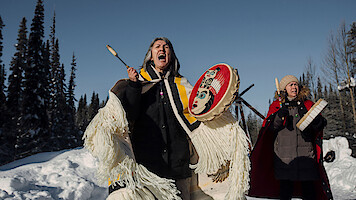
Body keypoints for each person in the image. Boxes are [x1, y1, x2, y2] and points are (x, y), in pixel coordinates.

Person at [110, 37, 200, 200]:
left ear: (171, 55)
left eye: (166, 47)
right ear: (151, 55)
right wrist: (133, 85)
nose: (162, 49)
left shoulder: (182, 84)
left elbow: (198, 114)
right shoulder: (140, 83)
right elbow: (129, 115)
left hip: (179, 165)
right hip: (149, 167)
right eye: (157, 46)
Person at [248, 75, 333, 200]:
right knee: (285, 192)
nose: (294, 87)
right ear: (284, 89)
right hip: (284, 158)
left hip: (306, 156)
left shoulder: (308, 104)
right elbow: (270, 128)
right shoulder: (277, 105)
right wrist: (278, 116)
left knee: (309, 192)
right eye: (290, 85)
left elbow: (319, 126)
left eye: (295, 84)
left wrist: (318, 122)